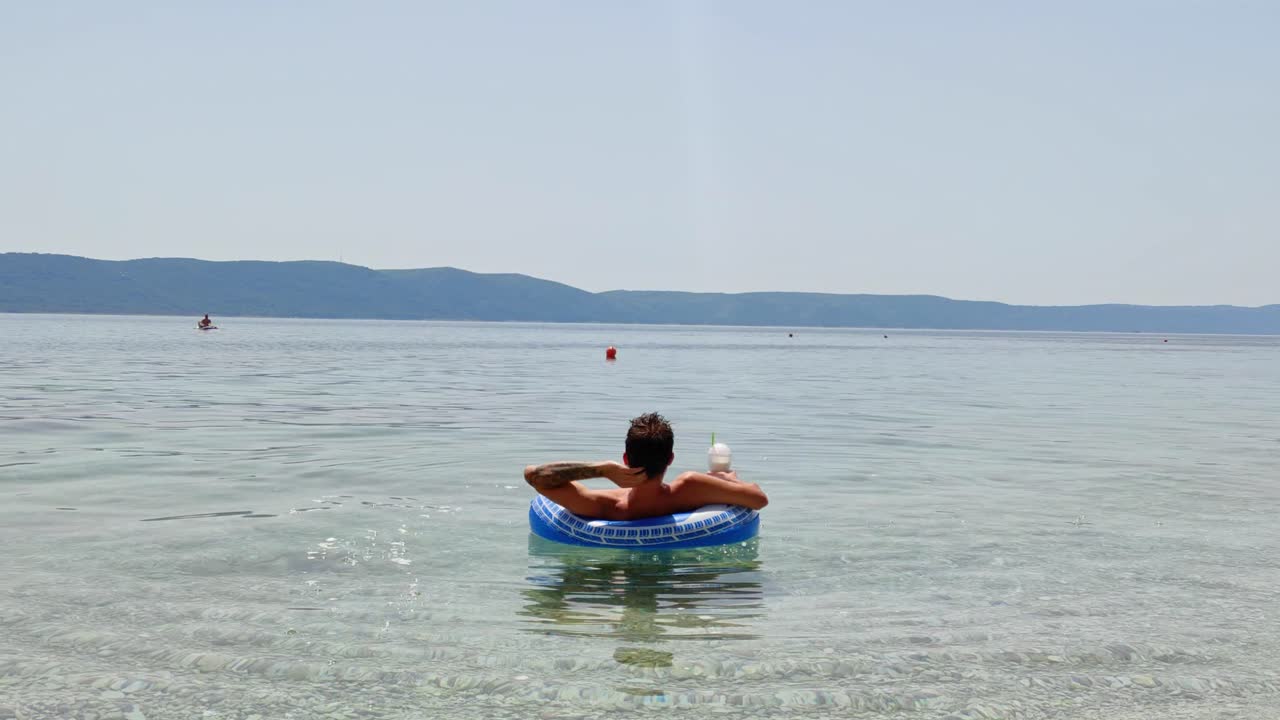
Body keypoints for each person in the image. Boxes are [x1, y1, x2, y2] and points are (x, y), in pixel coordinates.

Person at [523, 412, 768, 520]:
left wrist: (602, 470)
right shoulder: (691, 488)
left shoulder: (604, 506)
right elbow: (759, 499)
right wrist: (726, 480)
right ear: (670, 458)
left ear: (625, 459)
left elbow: (534, 474)